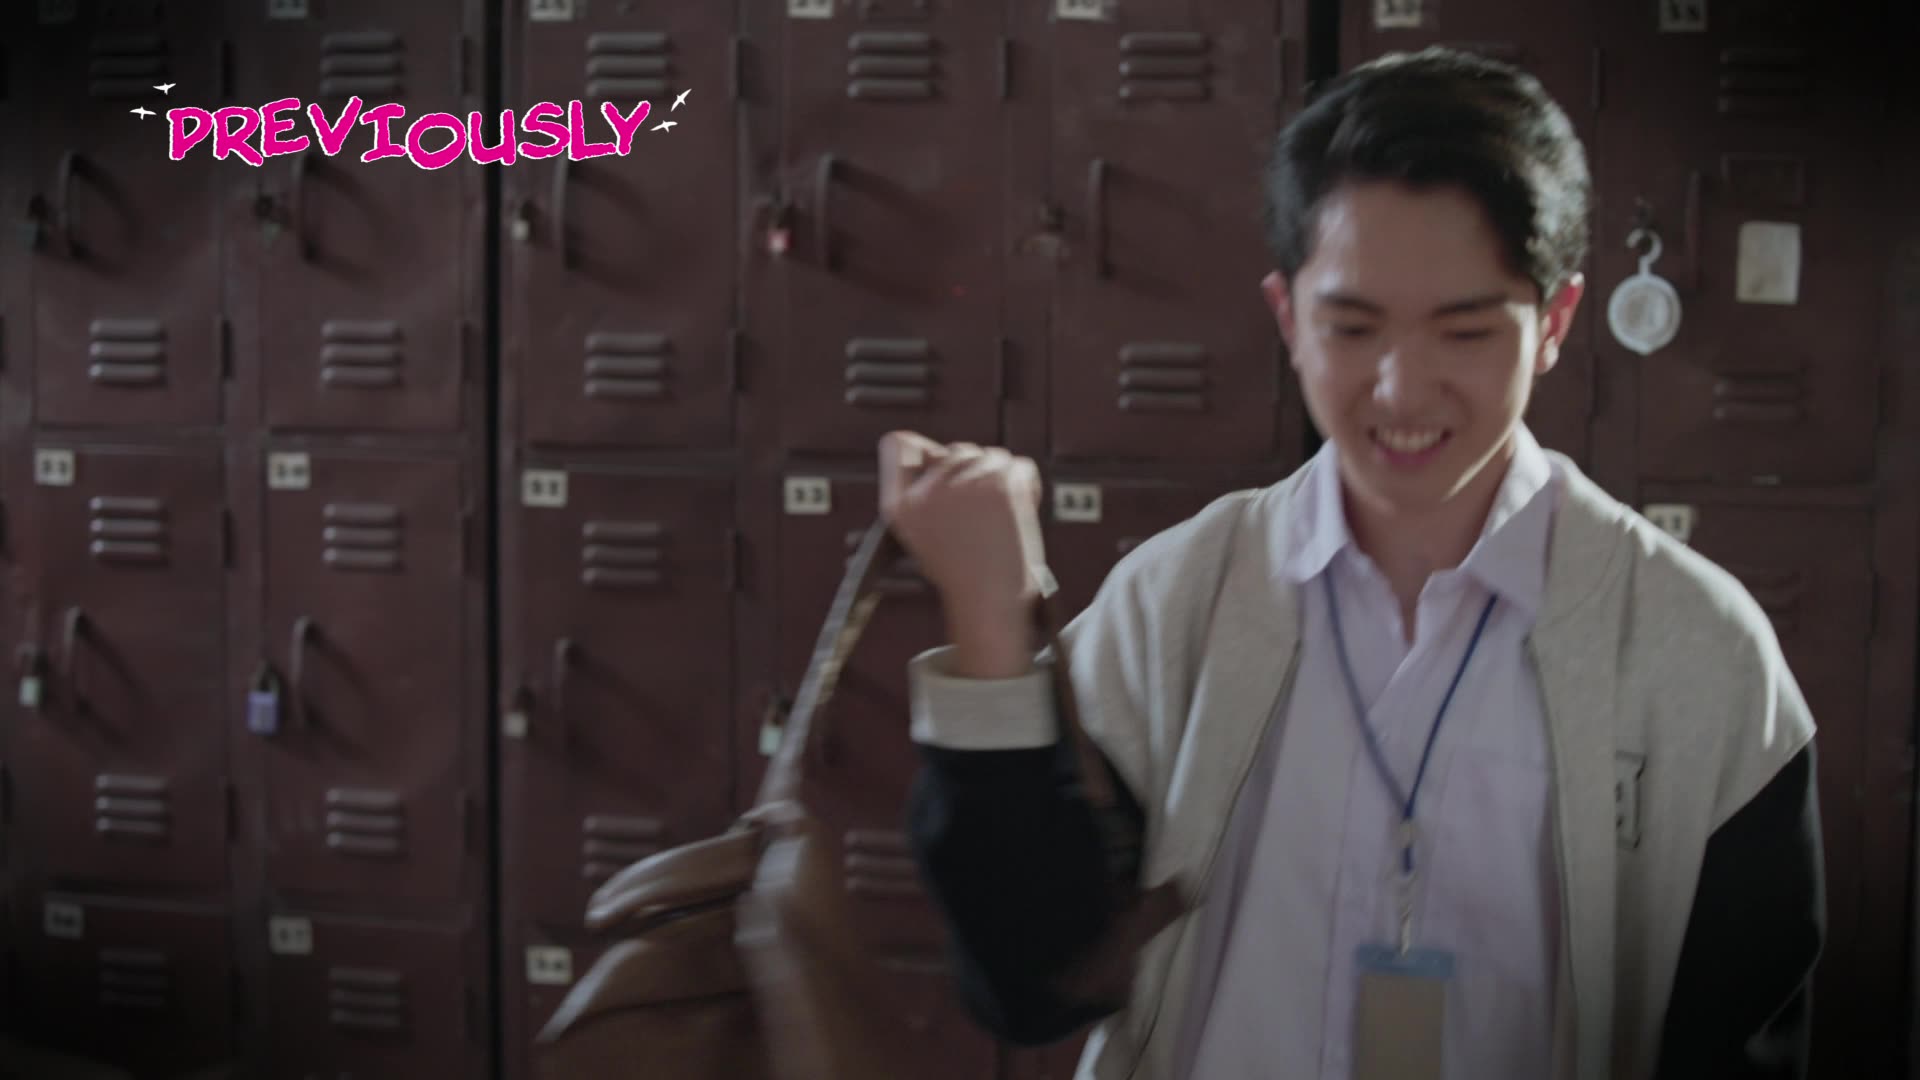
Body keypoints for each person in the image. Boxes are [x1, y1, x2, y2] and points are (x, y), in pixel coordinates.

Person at [877, 47, 1824, 1080]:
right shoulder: (1179, 601)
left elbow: (1743, 1037)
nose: (1401, 389)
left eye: (1465, 331)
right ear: (1288, 318)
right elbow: (1030, 987)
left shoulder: (1699, 652)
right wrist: (991, 629)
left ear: (1553, 322)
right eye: (1352, 327)